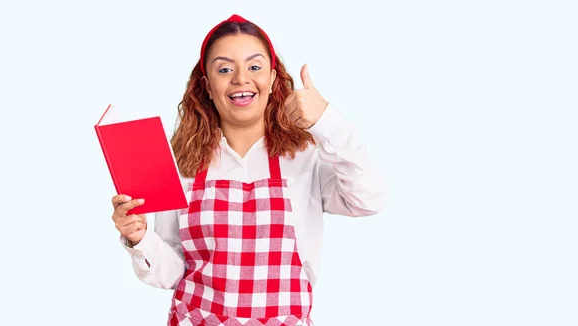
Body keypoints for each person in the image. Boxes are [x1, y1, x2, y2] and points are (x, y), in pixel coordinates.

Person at [110, 14, 389, 326]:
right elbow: (171, 274)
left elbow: (369, 199)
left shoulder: (306, 156)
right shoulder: (181, 161)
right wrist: (140, 237)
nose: (240, 78)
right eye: (225, 69)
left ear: (272, 78)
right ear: (206, 85)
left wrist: (327, 121)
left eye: (254, 67)